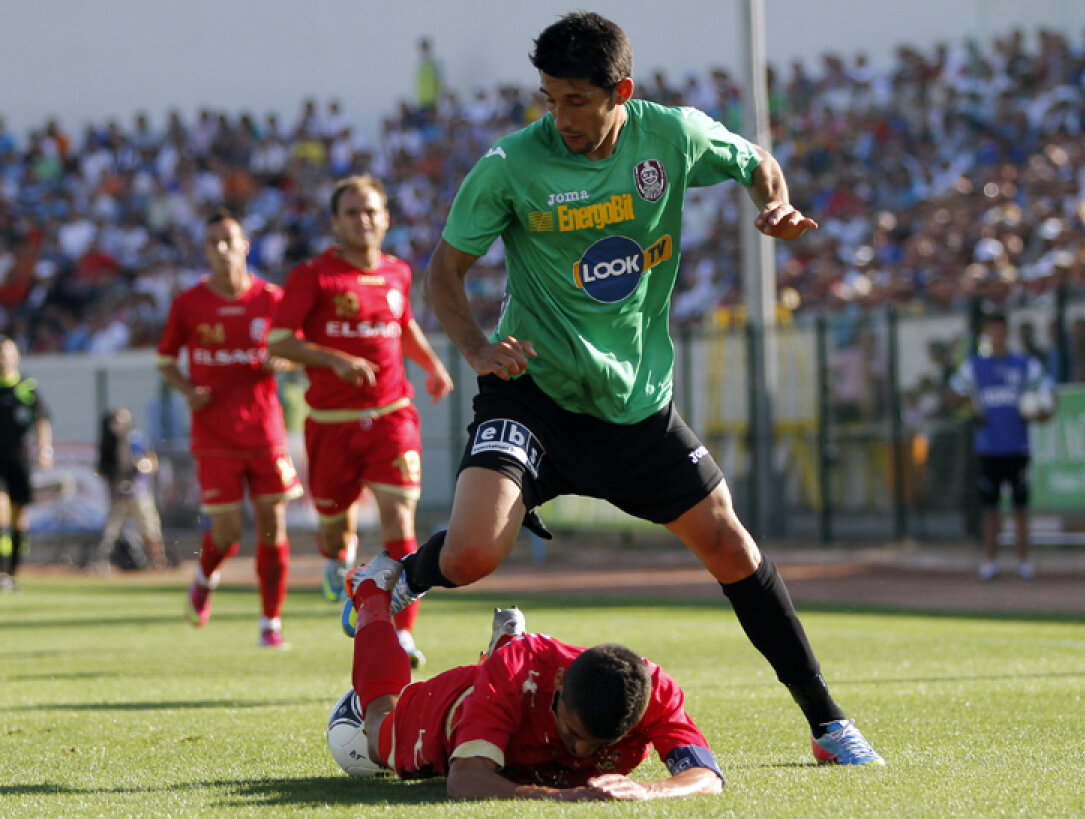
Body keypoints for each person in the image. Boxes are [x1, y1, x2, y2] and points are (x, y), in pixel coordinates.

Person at [352, 11, 882, 765]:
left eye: (574, 100)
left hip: (634, 406)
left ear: (619, 92)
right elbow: (444, 270)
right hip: (531, 391)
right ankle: (396, 576)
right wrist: (475, 347)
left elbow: (755, 159)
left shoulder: (671, 136)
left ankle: (827, 722)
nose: (557, 116)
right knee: (471, 554)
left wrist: (772, 201)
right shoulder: (510, 165)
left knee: (730, 544)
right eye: (547, 98)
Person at [268, 175, 453, 666]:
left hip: (392, 414)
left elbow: (403, 323)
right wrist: (334, 359)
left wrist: (431, 364)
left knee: (399, 517)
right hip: (331, 423)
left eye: (371, 211)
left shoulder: (397, 272)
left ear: (386, 218)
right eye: (352, 212)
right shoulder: (314, 276)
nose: (363, 220)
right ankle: (337, 558)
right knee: (334, 529)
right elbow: (279, 341)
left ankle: (404, 632)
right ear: (335, 222)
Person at [338, 586, 723, 800]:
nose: (582, 754)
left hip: (514, 697)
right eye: (573, 733)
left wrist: (647, 791)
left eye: (599, 744)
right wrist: (561, 799)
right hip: (463, 705)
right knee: (376, 734)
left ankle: (503, 642)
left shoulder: (655, 691)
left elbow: (706, 776)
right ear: (558, 686)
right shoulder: (518, 671)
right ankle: (371, 594)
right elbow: (465, 780)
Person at [157, 210, 303, 648]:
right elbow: (166, 360)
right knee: (227, 534)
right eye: (213, 242)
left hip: (264, 430)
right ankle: (205, 575)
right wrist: (187, 389)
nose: (222, 249)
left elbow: (298, 349)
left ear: (245, 245)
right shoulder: (189, 304)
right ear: (205, 251)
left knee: (273, 527)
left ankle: (270, 624)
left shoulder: (272, 299)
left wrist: (285, 361)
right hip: (214, 433)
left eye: (229, 240)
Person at [948, 309, 1055, 581]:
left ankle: (1023, 561)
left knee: (1020, 507)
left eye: (1000, 330)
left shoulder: (1024, 364)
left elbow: (1050, 394)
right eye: (991, 331)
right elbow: (953, 393)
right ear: (986, 334)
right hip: (988, 447)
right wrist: (972, 406)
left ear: (1007, 332)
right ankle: (991, 561)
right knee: (990, 508)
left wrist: (1043, 414)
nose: (996, 336)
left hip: (1018, 446)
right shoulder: (976, 366)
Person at [0, 336, 52, 591]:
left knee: (19, 514)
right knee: (0, 509)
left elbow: (42, 419)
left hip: (18, 457)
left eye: (7, 354)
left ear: (16, 357)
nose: (3, 359)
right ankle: (1, 568)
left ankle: (13, 569)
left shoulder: (27, 387)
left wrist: (45, 450)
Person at [90, 407, 167, 572]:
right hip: (118, 493)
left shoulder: (138, 439)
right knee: (111, 531)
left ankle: (158, 561)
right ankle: (101, 562)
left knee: (149, 528)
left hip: (138, 491)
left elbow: (152, 462)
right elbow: (102, 469)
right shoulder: (108, 443)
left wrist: (144, 465)